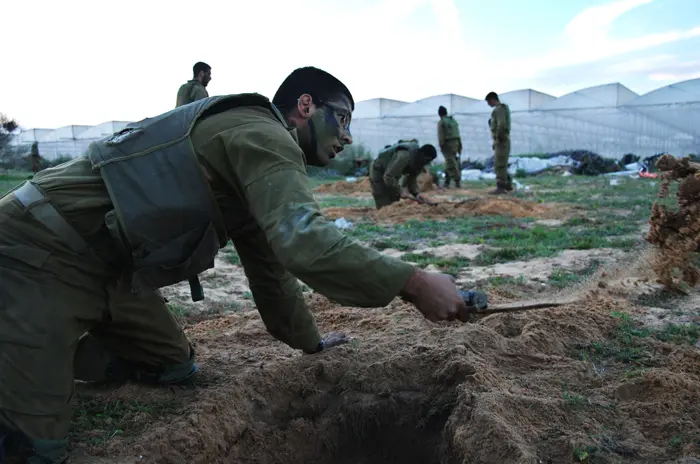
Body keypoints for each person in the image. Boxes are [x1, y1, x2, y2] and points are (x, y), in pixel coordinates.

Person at [0, 66, 485, 463]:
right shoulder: (263, 135)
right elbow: (307, 242)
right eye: (343, 119)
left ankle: (47, 352)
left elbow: (272, 270)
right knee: (34, 451)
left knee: (174, 368)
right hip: (40, 250)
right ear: (305, 106)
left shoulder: (255, 153)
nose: (347, 136)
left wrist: (310, 342)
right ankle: (27, 350)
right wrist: (415, 282)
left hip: (111, 272)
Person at [369, 139, 437, 209]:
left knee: (394, 200)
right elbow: (388, 176)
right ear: (423, 155)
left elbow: (411, 180)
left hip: (391, 174)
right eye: (428, 160)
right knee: (383, 201)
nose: (428, 163)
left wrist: (416, 194)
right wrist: (401, 191)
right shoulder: (404, 156)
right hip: (378, 170)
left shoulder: (419, 162)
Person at [486, 92, 512, 194]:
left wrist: (498, 139)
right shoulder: (504, 108)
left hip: (501, 140)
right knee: (503, 163)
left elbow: (501, 125)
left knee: (499, 164)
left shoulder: (498, 110)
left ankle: (501, 187)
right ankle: (508, 185)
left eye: (488, 102)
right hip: (503, 139)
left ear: (492, 100)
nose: (488, 104)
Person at [437, 106, 462, 189]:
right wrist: (460, 146)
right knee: (450, 162)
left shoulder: (442, 122)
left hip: (447, 144)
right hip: (456, 143)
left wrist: (441, 145)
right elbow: (458, 134)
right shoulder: (453, 121)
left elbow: (441, 135)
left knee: (451, 163)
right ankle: (447, 181)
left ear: (439, 114)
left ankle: (457, 180)